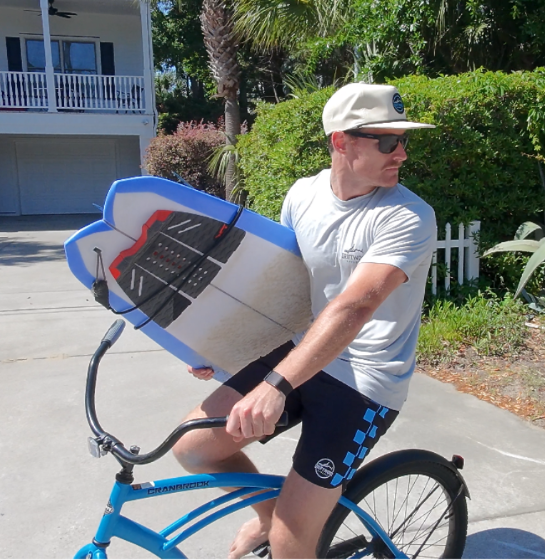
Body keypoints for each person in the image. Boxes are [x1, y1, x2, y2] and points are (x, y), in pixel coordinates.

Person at [172, 83, 438, 560]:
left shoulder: (409, 216)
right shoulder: (303, 196)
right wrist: (219, 347)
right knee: (194, 446)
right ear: (341, 141)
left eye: (405, 141)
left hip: (365, 381)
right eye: (386, 141)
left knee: (292, 551)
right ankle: (270, 515)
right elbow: (278, 288)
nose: (400, 153)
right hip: (299, 351)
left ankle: (288, 534)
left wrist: (275, 385)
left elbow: (354, 308)